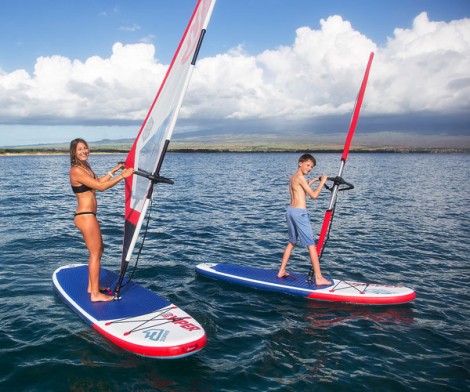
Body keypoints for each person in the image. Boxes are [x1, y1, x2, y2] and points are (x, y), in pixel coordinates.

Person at [69, 138, 134, 302]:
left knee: (98, 251)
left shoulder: (85, 167)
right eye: (80, 149)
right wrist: (122, 176)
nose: (84, 151)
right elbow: (101, 187)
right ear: (74, 153)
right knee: (95, 253)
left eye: (86, 148)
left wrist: (116, 169)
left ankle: (93, 286)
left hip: (88, 216)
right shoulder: (76, 170)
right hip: (85, 216)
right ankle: (95, 295)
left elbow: (97, 182)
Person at [277, 153, 332, 286]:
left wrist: (314, 180)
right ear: (300, 163)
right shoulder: (300, 178)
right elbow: (313, 195)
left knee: (292, 242)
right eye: (308, 165)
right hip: (300, 214)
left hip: (290, 211)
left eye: (311, 167)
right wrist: (323, 181)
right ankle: (319, 278)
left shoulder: (293, 177)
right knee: (311, 246)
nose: (309, 168)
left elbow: (302, 189)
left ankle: (281, 271)